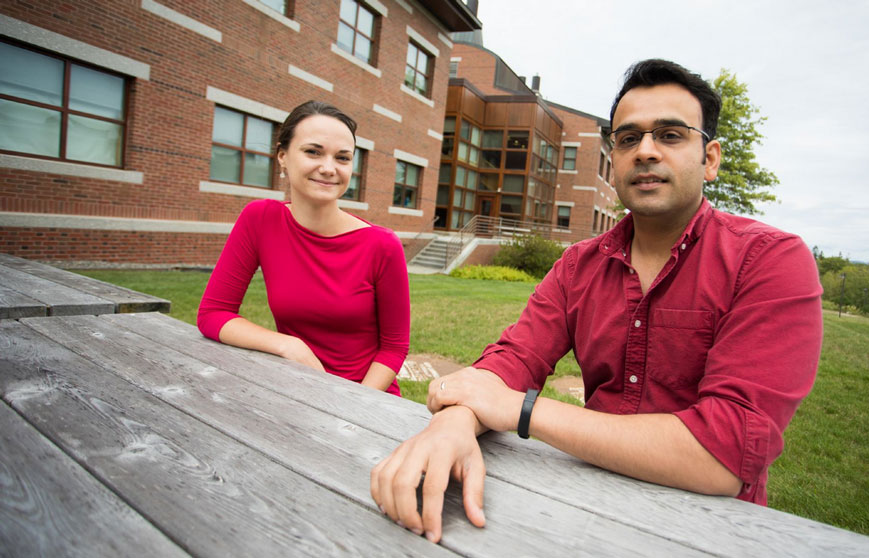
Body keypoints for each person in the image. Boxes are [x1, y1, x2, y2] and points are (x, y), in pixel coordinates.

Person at [370, 59, 823, 542]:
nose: (645, 151)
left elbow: (723, 454)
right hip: (585, 507)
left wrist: (520, 411)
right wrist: (457, 421)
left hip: (710, 531)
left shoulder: (770, 260)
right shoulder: (578, 265)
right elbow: (517, 356)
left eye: (670, 135)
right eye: (628, 139)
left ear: (709, 158)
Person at [198, 100, 409, 395]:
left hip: (366, 397)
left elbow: (394, 347)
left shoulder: (382, 245)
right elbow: (213, 313)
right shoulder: (260, 219)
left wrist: (355, 402)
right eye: (313, 152)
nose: (328, 168)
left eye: (343, 158)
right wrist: (288, 344)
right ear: (283, 156)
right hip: (295, 391)